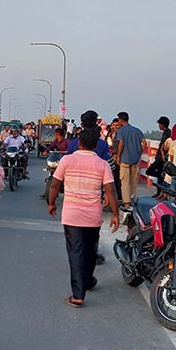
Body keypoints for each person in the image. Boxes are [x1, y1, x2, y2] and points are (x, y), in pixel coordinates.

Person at [48, 129, 119, 308]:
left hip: (72, 216)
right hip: (93, 216)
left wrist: (51, 203)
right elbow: (110, 189)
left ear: (79, 143)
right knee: (89, 251)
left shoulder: (67, 160)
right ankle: (86, 281)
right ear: (96, 145)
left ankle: (78, 295)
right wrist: (116, 214)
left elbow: (55, 183)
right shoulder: (102, 164)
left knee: (76, 253)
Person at [115, 112, 145, 209]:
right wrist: (139, 152)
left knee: (124, 181)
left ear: (120, 120)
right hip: (135, 160)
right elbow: (144, 143)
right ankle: (133, 200)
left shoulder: (121, 131)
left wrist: (118, 155)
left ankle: (126, 202)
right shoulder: (137, 131)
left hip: (125, 159)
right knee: (133, 182)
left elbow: (121, 143)